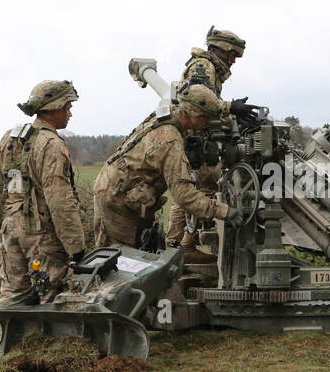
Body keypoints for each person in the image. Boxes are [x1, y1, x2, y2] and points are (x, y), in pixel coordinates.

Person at [93, 82, 243, 248]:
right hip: (116, 199)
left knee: (136, 252)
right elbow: (184, 195)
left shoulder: (172, 112)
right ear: (194, 116)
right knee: (120, 256)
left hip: (121, 189)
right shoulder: (170, 141)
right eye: (206, 118)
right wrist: (224, 211)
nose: (208, 123)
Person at [0, 80, 87, 307]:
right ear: (54, 108)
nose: (70, 114)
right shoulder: (51, 144)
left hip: (10, 229)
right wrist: (77, 249)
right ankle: (44, 342)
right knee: (48, 293)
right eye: (67, 108)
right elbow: (60, 201)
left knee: (12, 293)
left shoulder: (10, 139)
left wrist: (4, 222)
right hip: (40, 235)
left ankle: (4, 340)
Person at [167, 27, 246, 263]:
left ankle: (179, 246)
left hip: (197, 136)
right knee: (202, 186)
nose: (232, 62)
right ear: (219, 50)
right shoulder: (204, 68)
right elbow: (201, 105)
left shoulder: (206, 67)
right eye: (231, 55)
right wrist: (229, 110)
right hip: (195, 139)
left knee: (200, 186)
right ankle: (180, 247)